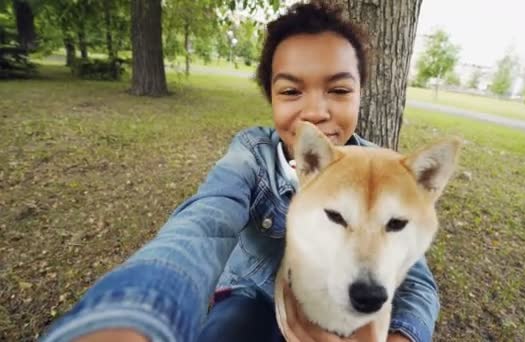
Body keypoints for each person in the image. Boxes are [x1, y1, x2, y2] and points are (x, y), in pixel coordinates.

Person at [41, 2, 439, 342]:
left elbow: (417, 280)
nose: (316, 112)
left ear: (360, 94)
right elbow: (205, 222)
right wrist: (132, 316)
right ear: (270, 96)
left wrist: (399, 335)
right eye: (290, 91)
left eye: (338, 90)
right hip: (248, 295)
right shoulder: (251, 155)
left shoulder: (387, 174)